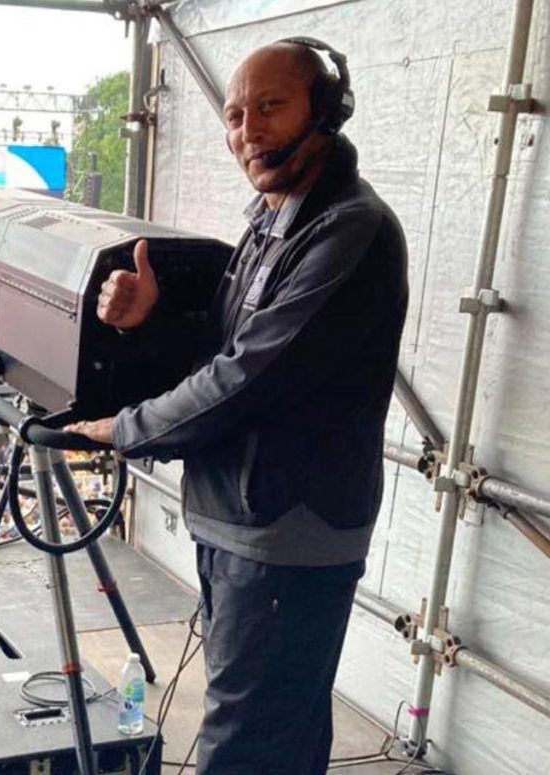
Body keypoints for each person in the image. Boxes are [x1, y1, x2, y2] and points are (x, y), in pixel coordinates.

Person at [67, 39, 408, 773]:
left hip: (286, 535)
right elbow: (224, 343)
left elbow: (250, 376)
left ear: (329, 111)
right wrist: (149, 317)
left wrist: (123, 428)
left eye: (270, 107)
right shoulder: (271, 217)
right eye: (233, 115)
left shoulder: (350, 230)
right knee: (278, 727)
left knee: (247, 740)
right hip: (242, 522)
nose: (247, 130)